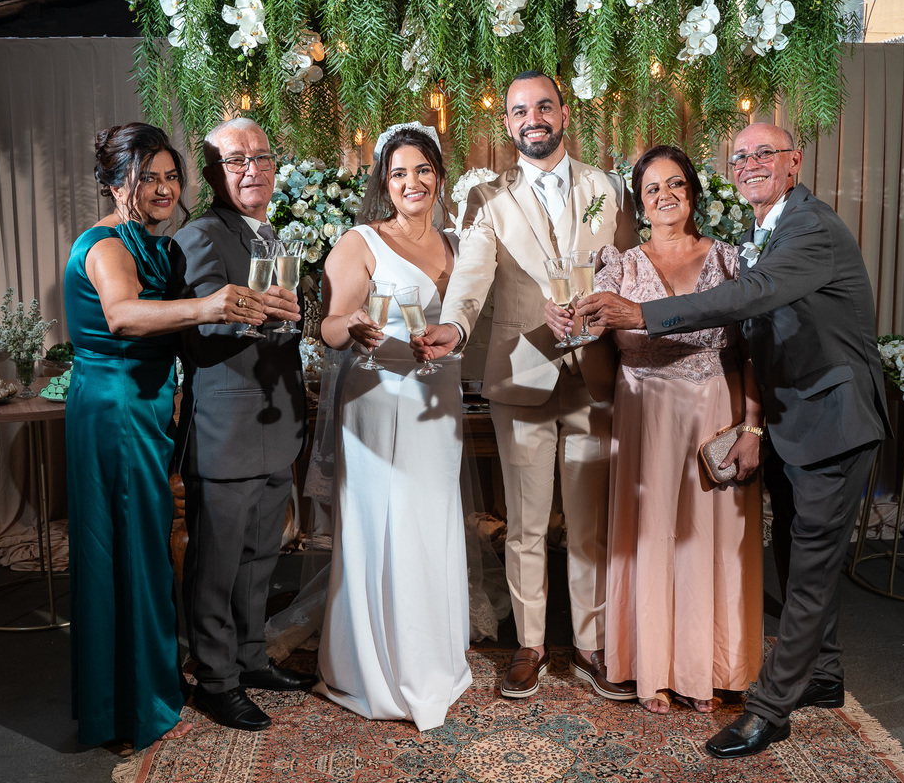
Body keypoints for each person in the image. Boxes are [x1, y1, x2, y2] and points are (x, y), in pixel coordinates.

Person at [576, 123, 890, 758]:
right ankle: (823, 676)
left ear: (794, 163)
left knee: (806, 572)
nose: (749, 164)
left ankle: (769, 711)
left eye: (764, 154)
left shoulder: (809, 228)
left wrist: (644, 314)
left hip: (832, 420)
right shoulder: (767, 229)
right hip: (791, 417)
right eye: (740, 155)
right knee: (798, 556)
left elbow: (750, 298)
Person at [412, 70, 639, 701]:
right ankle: (532, 643)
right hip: (524, 374)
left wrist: (604, 305)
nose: (532, 118)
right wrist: (454, 330)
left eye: (543, 106)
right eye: (519, 111)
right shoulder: (488, 197)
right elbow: (472, 279)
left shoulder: (607, 188)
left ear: (563, 114)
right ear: (507, 123)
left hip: (595, 377)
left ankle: (590, 645)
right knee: (527, 524)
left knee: (591, 524)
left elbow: (629, 269)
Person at [64, 122, 264, 749]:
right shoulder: (105, 246)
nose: (160, 187)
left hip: (150, 407)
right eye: (144, 176)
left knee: (147, 548)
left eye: (169, 176)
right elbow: (123, 316)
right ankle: (124, 707)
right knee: (126, 551)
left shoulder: (159, 245)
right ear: (111, 180)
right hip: (115, 408)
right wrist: (213, 306)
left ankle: (149, 683)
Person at [547, 145, 764, 716]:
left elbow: (750, 353)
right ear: (638, 203)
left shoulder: (730, 261)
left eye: (675, 184)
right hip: (644, 418)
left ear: (692, 192)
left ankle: (709, 667)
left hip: (715, 411)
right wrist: (569, 327)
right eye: (651, 189)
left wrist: (752, 428)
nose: (664, 196)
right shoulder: (617, 266)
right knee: (652, 538)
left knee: (710, 541)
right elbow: (589, 347)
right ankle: (654, 667)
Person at [313, 124, 472, 731]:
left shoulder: (457, 244)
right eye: (399, 172)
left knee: (431, 523)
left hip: (438, 398)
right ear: (385, 179)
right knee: (387, 525)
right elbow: (326, 328)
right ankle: (375, 670)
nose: (412, 182)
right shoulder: (361, 242)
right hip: (378, 398)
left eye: (423, 170)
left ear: (438, 176)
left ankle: (434, 658)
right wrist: (351, 323)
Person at [169, 117, 315, 733]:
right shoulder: (201, 235)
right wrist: (252, 315)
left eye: (261, 155)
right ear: (213, 174)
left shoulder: (275, 235)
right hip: (226, 427)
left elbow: (289, 323)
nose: (252, 168)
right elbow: (200, 323)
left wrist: (304, 313)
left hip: (275, 423)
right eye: (236, 160)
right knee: (217, 562)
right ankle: (216, 678)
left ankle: (252, 659)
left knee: (260, 556)